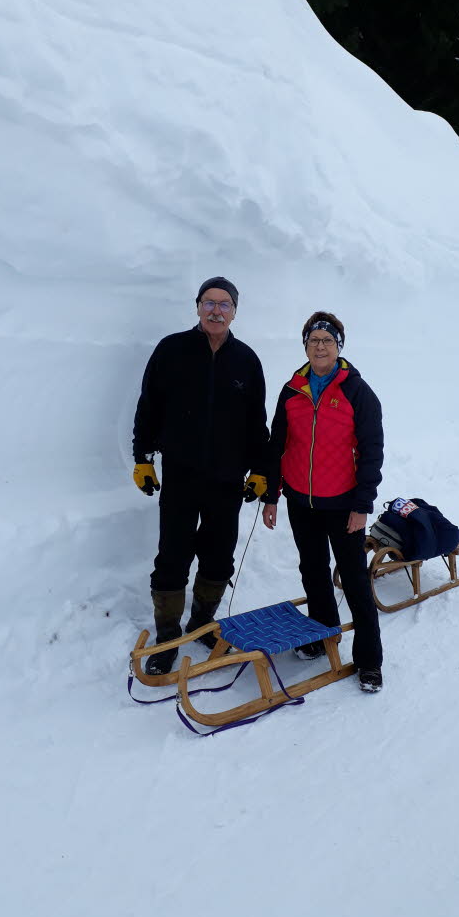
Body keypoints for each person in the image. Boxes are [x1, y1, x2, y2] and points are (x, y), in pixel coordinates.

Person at [132, 277, 269, 675]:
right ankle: (167, 638)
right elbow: (148, 408)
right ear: (197, 307)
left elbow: (256, 423)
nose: (216, 311)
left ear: (235, 311)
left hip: (227, 478)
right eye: (209, 303)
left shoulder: (246, 360)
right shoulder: (171, 350)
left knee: (218, 555)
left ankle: (203, 624)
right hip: (180, 475)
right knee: (172, 556)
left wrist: (260, 469)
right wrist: (142, 458)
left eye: (224, 304)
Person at [262, 311, 385, 692]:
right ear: (305, 346)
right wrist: (271, 495)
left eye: (327, 341)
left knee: (354, 581)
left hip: (344, 505)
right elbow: (277, 445)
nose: (320, 346)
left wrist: (362, 506)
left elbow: (371, 452)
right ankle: (322, 637)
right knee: (313, 572)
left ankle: (369, 661)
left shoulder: (356, 392)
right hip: (301, 501)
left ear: (339, 347)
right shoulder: (292, 390)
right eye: (314, 340)